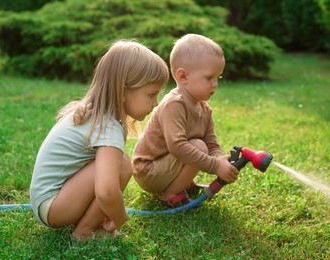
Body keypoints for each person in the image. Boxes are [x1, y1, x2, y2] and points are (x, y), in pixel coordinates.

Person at [30, 39, 169, 240]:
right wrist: (120, 217)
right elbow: (106, 191)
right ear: (122, 92)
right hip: (54, 207)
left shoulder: (94, 115)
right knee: (121, 165)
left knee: (116, 163)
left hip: (46, 202)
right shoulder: (107, 126)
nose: (156, 103)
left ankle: (86, 225)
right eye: (151, 94)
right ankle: (85, 231)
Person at [132, 34, 239, 208]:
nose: (215, 85)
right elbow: (177, 146)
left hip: (165, 167)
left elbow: (212, 144)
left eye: (217, 78)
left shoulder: (204, 109)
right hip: (148, 171)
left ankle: (181, 183)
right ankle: (170, 195)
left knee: (201, 145)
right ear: (183, 77)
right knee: (197, 146)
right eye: (209, 77)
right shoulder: (174, 104)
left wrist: (220, 160)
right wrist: (215, 166)